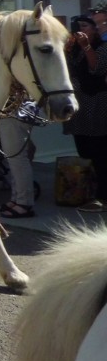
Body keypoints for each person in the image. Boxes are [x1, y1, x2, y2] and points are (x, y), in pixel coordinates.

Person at [64, 11, 107, 212]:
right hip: (79, 107)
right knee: (84, 151)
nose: (80, 31)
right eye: (78, 27)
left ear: (95, 30)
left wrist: (86, 46)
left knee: (99, 152)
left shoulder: (102, 47)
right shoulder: (74, 48)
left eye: (85, 27)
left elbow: (96, 69)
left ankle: (103, 197)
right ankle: (91, 192)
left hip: (96, 104)